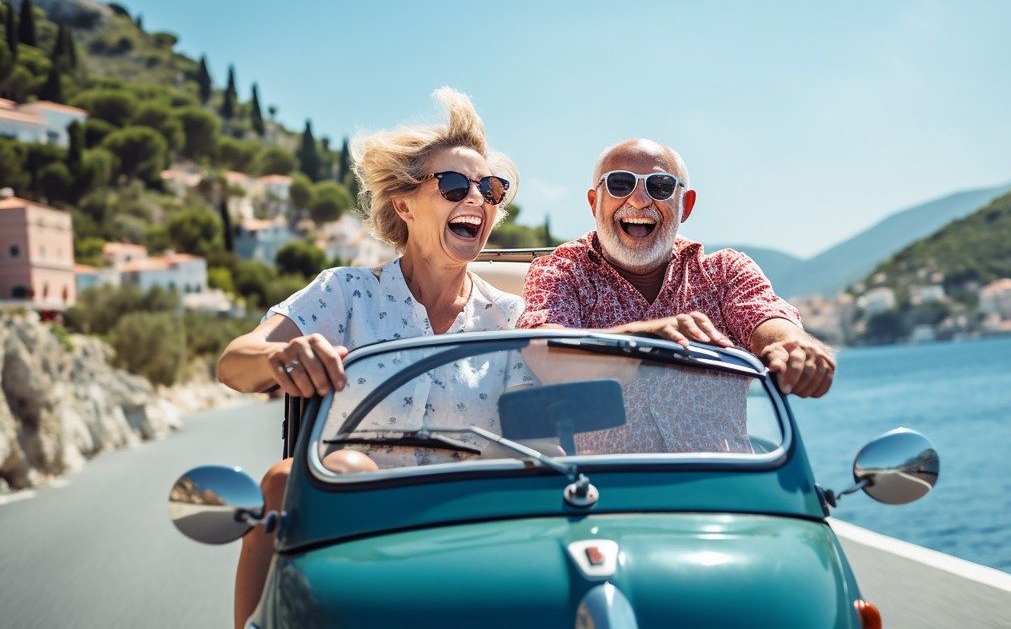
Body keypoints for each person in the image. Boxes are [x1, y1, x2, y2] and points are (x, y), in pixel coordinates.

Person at [216, 87, 525, 628]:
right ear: (404, 205)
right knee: (287, 481)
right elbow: (234, 363)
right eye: (454, 185)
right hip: (348, 533)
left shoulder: (513, 319)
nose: (476, 198)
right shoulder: (345, 292)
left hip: (472, 535)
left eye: (490, 189)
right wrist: (283, 355)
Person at [518, 138, 835, 399]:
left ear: (686, 205)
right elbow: (543, 353)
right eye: (619, 184)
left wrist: (795, 346)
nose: (640, 200)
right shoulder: (560, 271)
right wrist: (640, 340)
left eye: (660, 186)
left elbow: (768, 318)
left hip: (721, 475)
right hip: (604, 477)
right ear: (594, 202)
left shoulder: (723, 272)